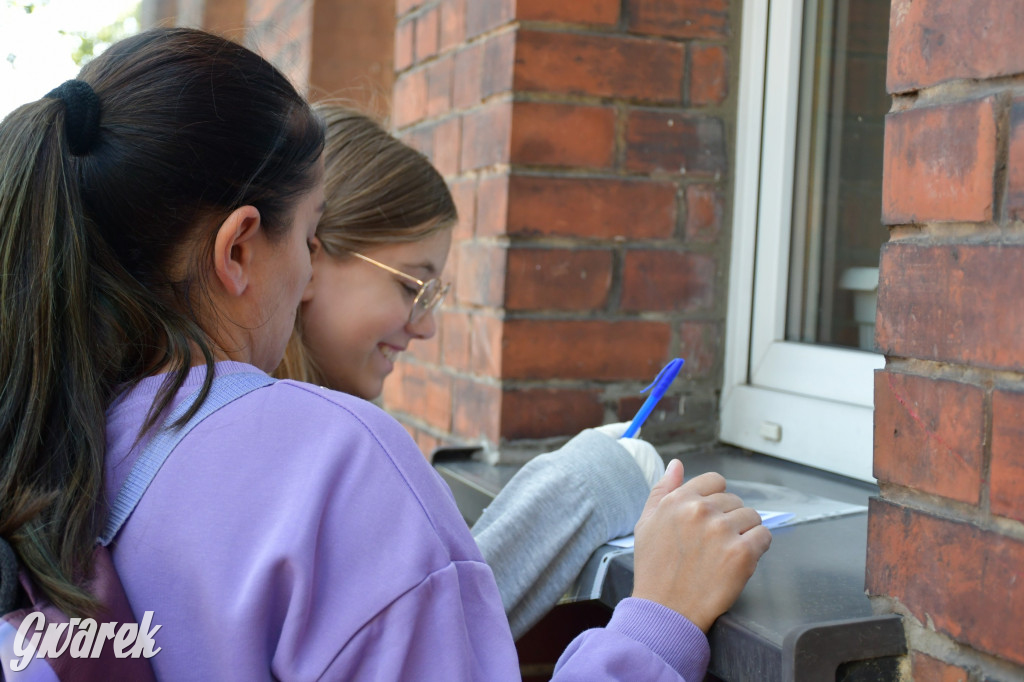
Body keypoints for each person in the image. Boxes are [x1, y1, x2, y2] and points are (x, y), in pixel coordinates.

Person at [0, 27, 771, 682]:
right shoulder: (331, 465)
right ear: (238, 249)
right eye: (307, 237)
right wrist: (658, 622)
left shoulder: (54, 441)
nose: (303, 276)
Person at [276, 104, 670, 639]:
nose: (427, 327)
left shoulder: (253, 432)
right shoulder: (321, 459)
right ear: (309, 255)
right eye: (413, 287)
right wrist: (590, 486)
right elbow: (429, 649)